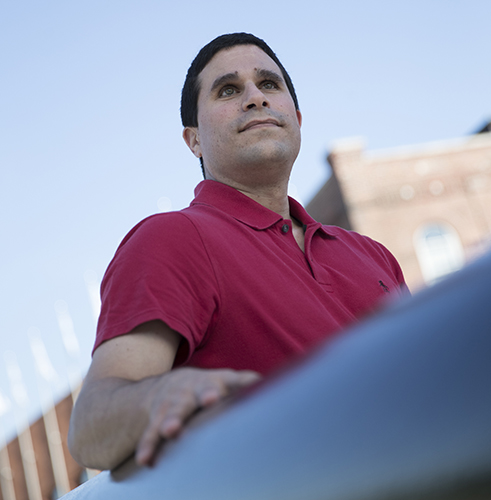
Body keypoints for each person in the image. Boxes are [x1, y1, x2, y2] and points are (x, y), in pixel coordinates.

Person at [68, 33, 408, 471]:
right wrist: (161, 397)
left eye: (269, 84)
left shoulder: (374, 255)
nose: (255, 98)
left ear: (298, 118)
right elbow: (92, 429)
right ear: (193, 141)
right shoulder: (172, 239)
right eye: (228, 90)